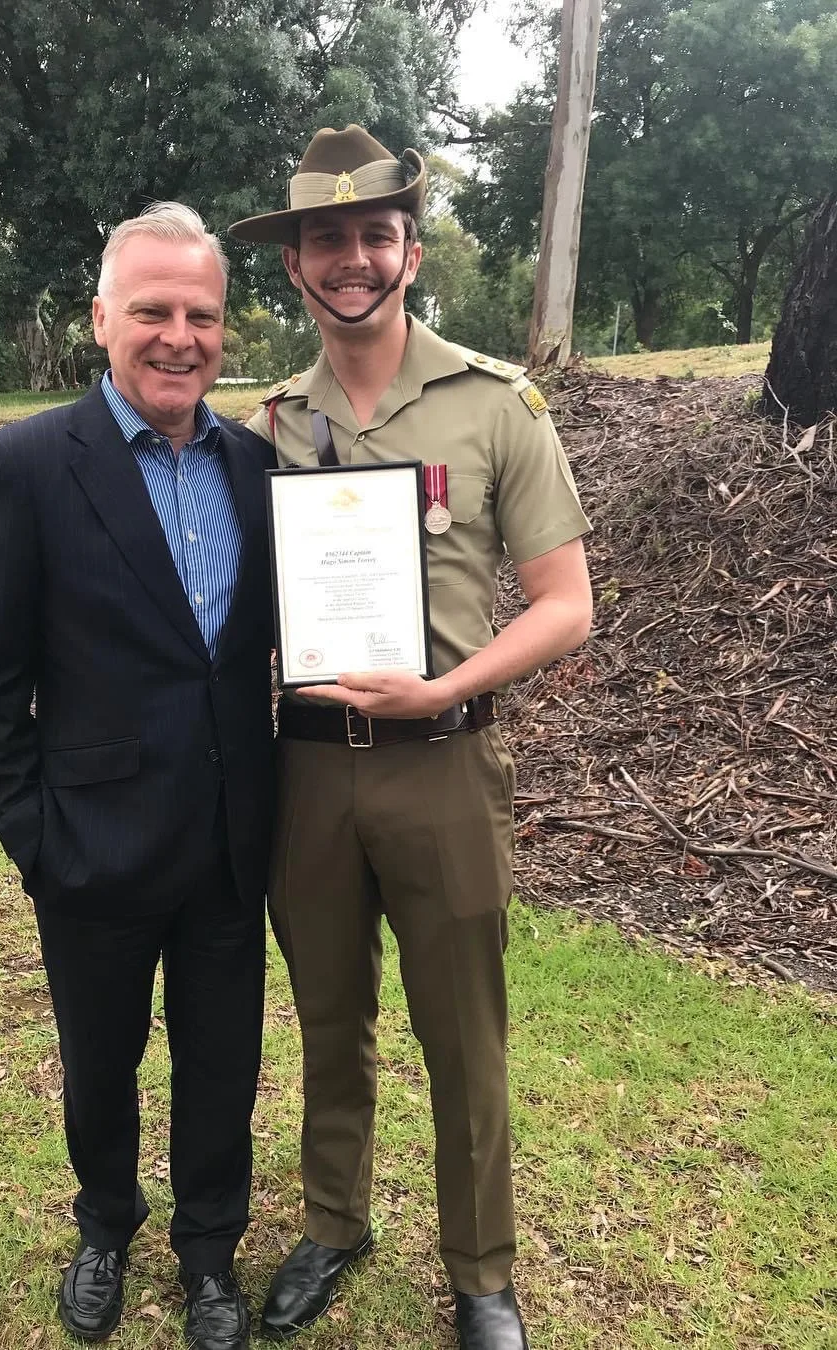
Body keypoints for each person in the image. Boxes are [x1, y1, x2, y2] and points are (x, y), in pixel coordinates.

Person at [228, 126, 593, 1350]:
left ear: (412, 254)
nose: (352, 258)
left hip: (445, 768)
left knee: (462, 1035)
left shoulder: (496, 406)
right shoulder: (266, 427)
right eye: (324, 239)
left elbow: (566, 604)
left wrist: (448, 691)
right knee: (330, 1020)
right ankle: (334, 1224)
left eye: (374, 236)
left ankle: (482, 1273)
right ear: (295, 266)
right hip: (308, 770)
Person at [0, 203, 277, 1348]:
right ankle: (104, 1225)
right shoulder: (33, 464)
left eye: (202, 314)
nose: (179, 336)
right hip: (91, 848)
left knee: (222, 1064)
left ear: (223, 328)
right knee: (101, 1060)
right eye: (153, 310)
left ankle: (210, 1255)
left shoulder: (259, 467)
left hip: (231, 842)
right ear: (102, 319)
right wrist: (37, 841)